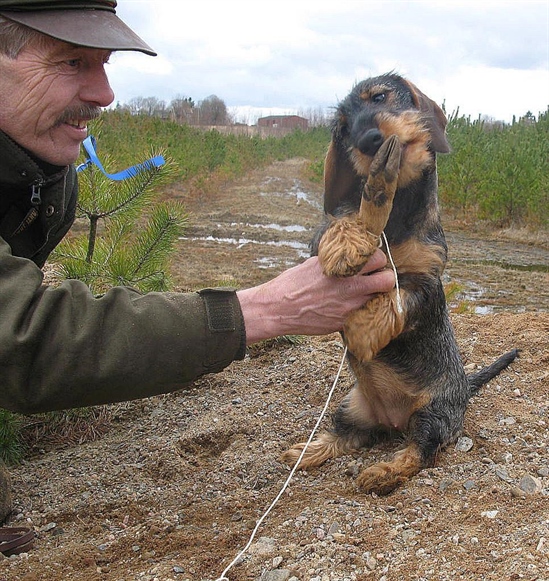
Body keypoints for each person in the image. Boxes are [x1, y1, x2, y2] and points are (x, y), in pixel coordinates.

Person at [0, 0, 395, 525]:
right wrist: (264, 309)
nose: (104, 94)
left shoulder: (40, 167)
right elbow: (22, 337)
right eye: (71, 62)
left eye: (104, 63)